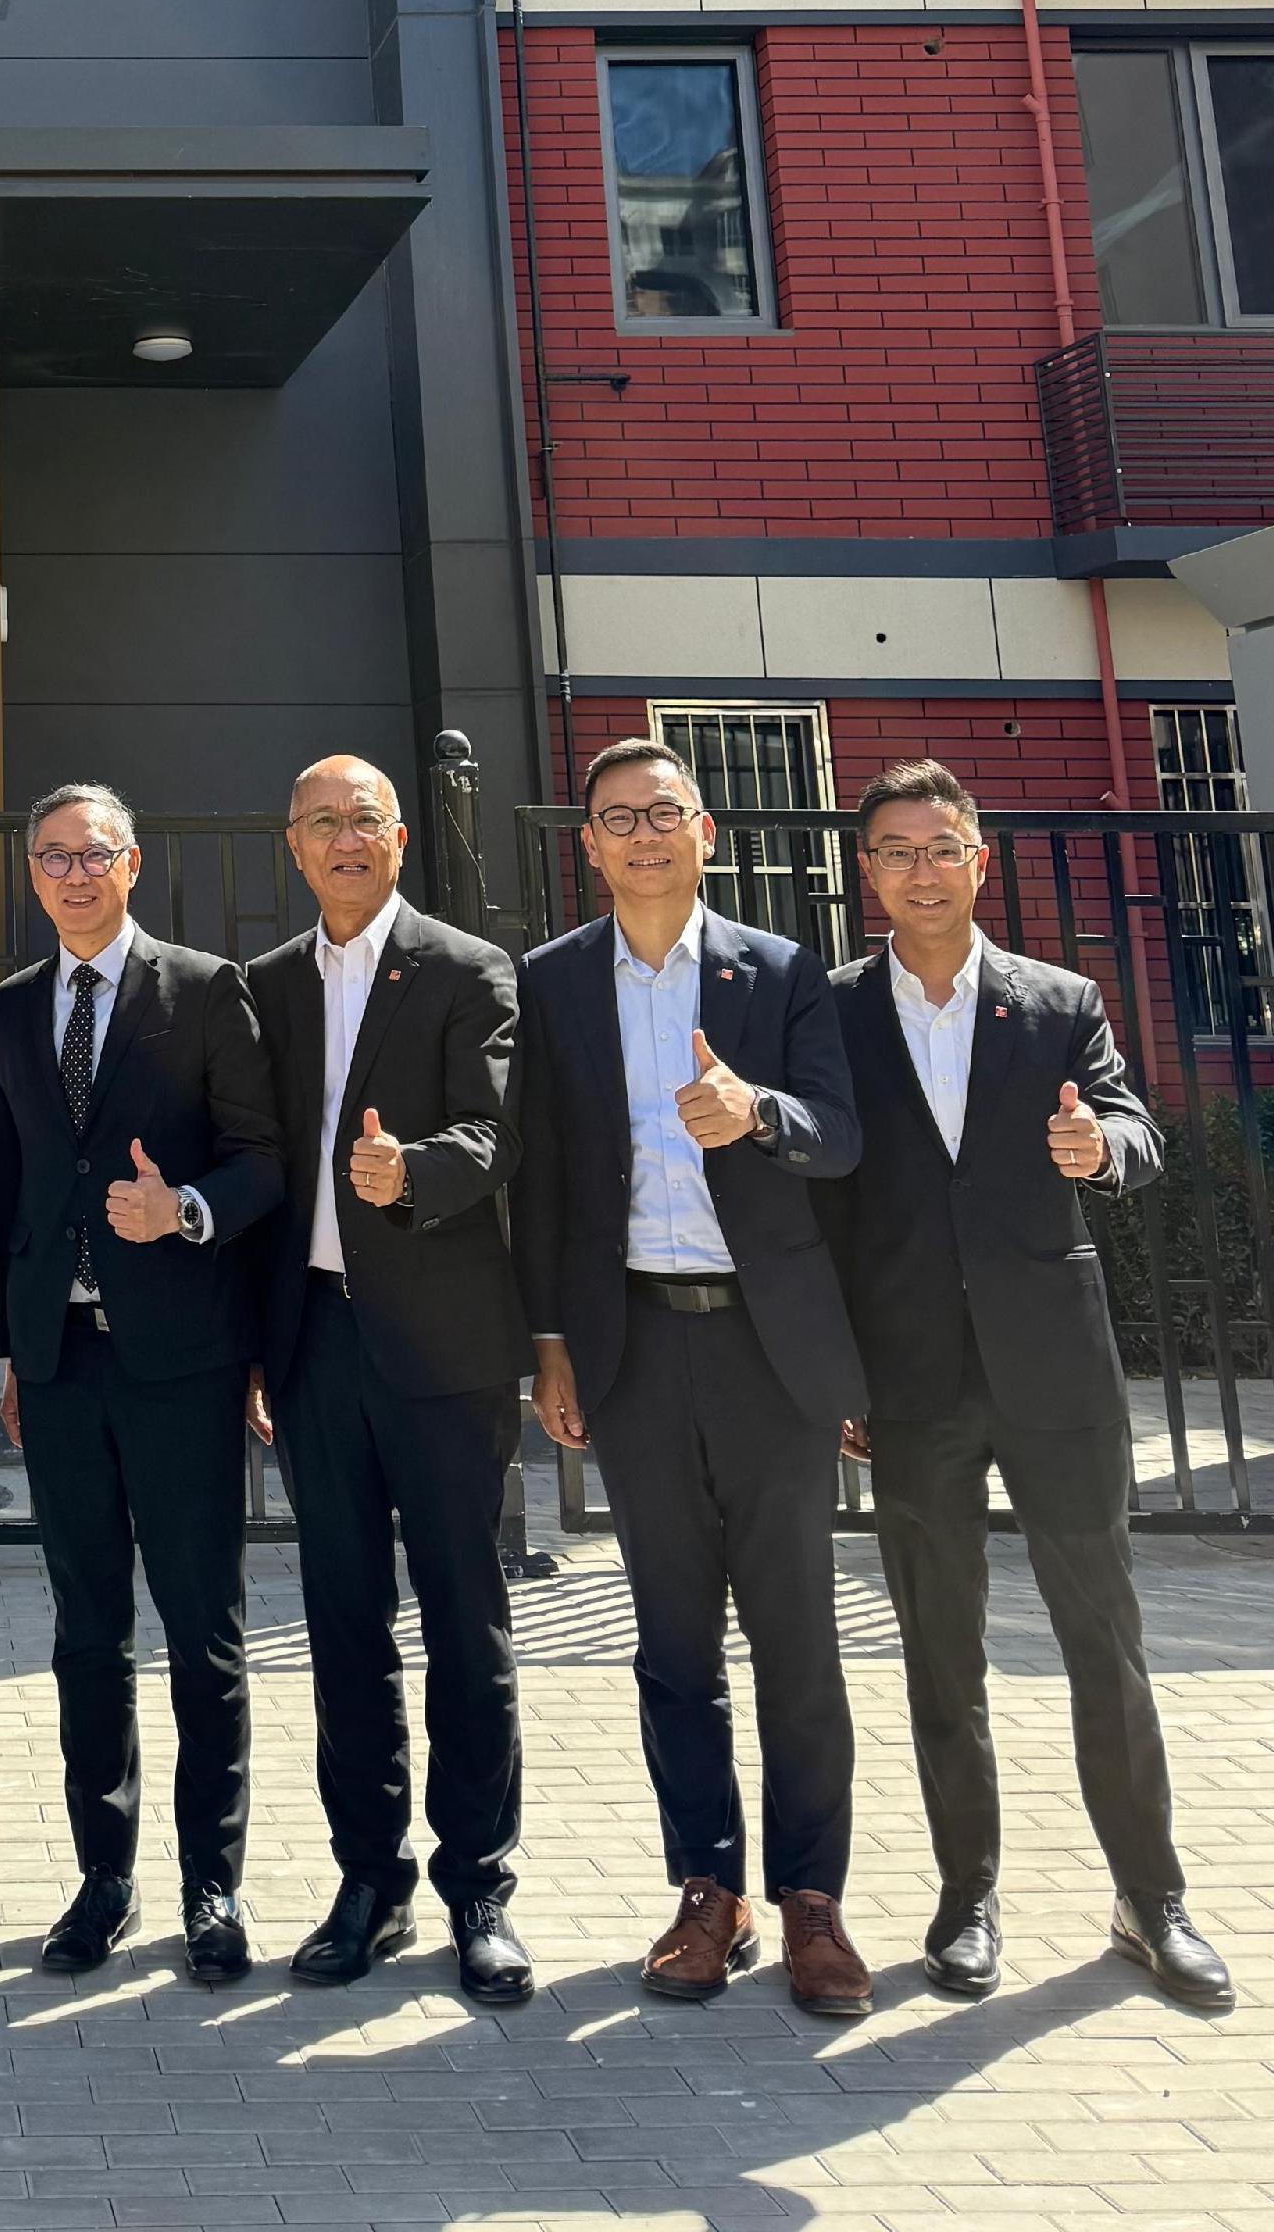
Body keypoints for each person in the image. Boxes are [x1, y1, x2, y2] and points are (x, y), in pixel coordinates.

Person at [822, 759, 1230, 2014]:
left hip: (1056, 1374)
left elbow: (1137, 1125)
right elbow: (814, 1195)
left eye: (942, 846)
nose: (921, 869)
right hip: (911, 1383)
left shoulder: (1059, 999)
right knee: (942, 1655)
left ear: (979, 860)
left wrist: (1101, 1146)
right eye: (896, 850)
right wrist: (838, 1367)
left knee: (1104, 1640)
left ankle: (1149, 1899)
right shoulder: (829, 1009)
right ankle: (967, 1898)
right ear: (867, 872)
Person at [515, 737, 872, 2017]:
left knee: (798, 1641)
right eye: (620, 817)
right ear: (591, 845)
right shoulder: (551, 981)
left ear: (705, 831)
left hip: (767, 1350)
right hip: (632, 1345)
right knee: (673, 1642)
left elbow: (841, 1135)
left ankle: (813, 1901)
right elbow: (545, 1178)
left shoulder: (780, 972)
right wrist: (550, 1343)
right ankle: (705, 1891)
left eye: (666, 811)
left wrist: (757, 1110)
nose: (645, 833)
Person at [243, 756, 533, 2001]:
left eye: (364, 819)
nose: (345, 839)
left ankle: (480, 1886)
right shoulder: (261, 988)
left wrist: (410, 1172)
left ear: (400, 838)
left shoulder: (468, 969)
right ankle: (370, 1879)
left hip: (443, 1343)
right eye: (322, 823)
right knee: (343, 1621)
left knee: (466, 1620)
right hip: (314, 1343)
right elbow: (251, 1160)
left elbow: (496, 1132)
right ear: (293, 848)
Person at [0, 782, 282, 1984]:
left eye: (91, 853)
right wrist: (13, 1347)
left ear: (132, 862)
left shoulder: (208, 989)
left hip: (184, 1360)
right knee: (85, 1632)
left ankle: (213, 1887)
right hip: (60, 1366)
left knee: (201, 1629)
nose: (70, 873)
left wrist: (185, 1211)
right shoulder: (11, 1008)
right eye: (49, 855)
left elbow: (262, 1161)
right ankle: (103, 1877)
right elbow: (10, 1189)